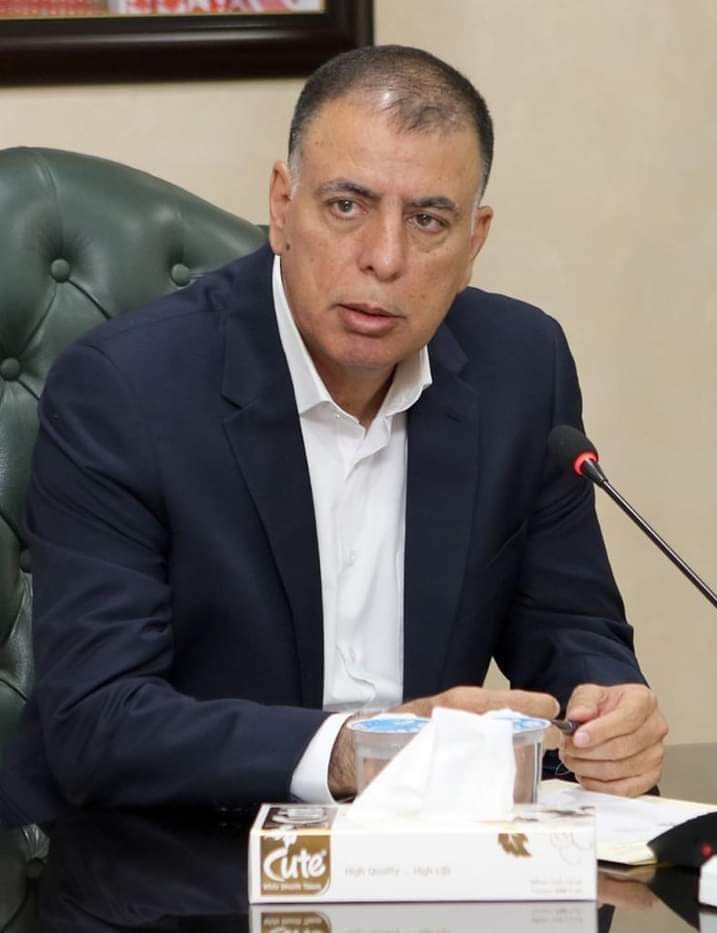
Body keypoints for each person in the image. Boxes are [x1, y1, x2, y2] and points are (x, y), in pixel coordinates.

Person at [0, 45, 667, 825]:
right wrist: (357, 750)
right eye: (347, 206)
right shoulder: (125, 388)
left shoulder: (521, 366)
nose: (384, 259)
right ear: (282, 206)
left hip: (427, 852)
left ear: (474, 241)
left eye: (428, 220)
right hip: (187, 853)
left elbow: (569, 621)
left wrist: (606, 707)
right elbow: (97, 720)